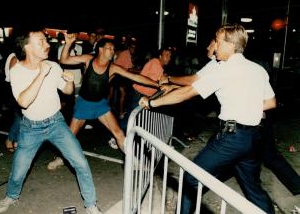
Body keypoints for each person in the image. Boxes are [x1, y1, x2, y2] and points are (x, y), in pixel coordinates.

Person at [139, 23, 276, 213]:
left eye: (218, 42)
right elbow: (270, 102)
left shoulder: (224, 70)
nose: (214, 47)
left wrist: (151, 103)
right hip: (253, 138)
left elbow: (186, 93)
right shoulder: (257, 69)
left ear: (230, 45)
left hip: (232, 138)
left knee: (191, 178)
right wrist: (246, 108)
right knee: (253, 189)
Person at [0, 28, 102, 214]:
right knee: (19, 169)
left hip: (56, 124)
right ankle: (11, 196)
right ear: (27, 47)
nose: (47, 45)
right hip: (30, 128)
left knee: (81, 163)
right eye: (41, 41)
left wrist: (68, 82)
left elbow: (67, 91)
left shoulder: (53, 66)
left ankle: (91, 204)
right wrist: (41, 74)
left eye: (46, 41)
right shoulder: (17, 71)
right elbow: (23, 102)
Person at [47, 34, 159, 169]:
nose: (113, 51)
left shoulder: (113, 68)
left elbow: (136, 77)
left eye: (113, 49)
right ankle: (60, 158)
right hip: (84, 104)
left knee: (118, 133)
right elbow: (64, 60)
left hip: (101, 105)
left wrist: (157, 85)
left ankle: (134, 161)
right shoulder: (88, 60)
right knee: (71, 136)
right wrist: (68, 44)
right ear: (101, 49)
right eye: (110, 49)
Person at [4, 53, 20, 152]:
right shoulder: (14, 58)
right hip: (16, 91)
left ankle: (17, 140)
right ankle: (10, 139)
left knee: (23, 118)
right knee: (20, 117)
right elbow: (13, 79)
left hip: (24, 89)